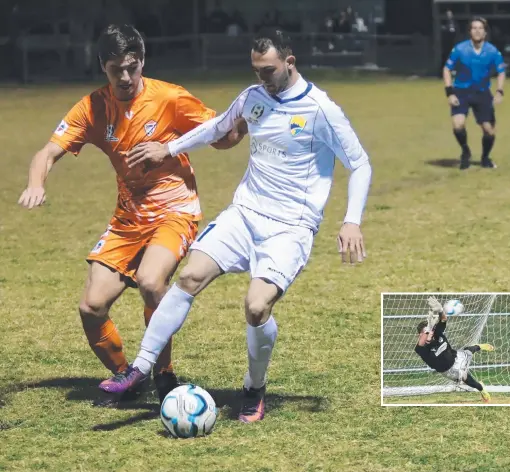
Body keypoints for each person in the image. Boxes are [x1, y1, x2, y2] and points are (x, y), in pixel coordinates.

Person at [99, 30, 373, 423]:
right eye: (256, 70)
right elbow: (217, 128)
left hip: (290, 227)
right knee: (189, 276)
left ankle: (254, 387)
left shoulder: (320, 109)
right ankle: (139, 366)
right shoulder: (252, 97)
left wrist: (352, 220)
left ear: (289, 63)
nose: (262, 77)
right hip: (244, 214)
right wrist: (168, 148)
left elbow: (360, 163)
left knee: (256, 306)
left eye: (269, 70)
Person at [17, 24, 243, 407]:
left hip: (175, 208)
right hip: (128, 218)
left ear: (142, 62)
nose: (124, 77)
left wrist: (236, 127)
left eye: (131, 67)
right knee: (91, 306)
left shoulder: (169, 97)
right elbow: (47, 152)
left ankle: (163, 373)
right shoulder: (92, 108)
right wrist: (36, 182)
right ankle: (126, 375)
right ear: (102, 66)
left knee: (152, 281)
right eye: (115, 69)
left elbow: (222, 134)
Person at [443, 17, 506, 170]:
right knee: (458, 125)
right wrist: (450, 93)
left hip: (482, 93)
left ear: (485, 32)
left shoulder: (492, 51)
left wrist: (499, 91)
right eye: (474, 28)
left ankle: (485, 158)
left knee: (489, 131)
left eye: (480, 28)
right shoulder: (460, 49)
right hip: (461, 91)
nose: (477, 31)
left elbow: (501, 71)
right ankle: (465, 151)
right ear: (470, 31)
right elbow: (446, 69)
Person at [415, 297, 495, 403]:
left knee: (468, 351)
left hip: (456, 357)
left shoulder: (437, 332)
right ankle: (482, 389)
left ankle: (479, 346)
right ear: (420, 335)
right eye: (425, 332)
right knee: (467, 379)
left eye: (430, 329)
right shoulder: (422, 349)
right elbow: (421, 343)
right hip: (449, 371)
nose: (428, 332)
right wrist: (426, 333)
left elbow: (443, 319)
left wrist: (440, 311)